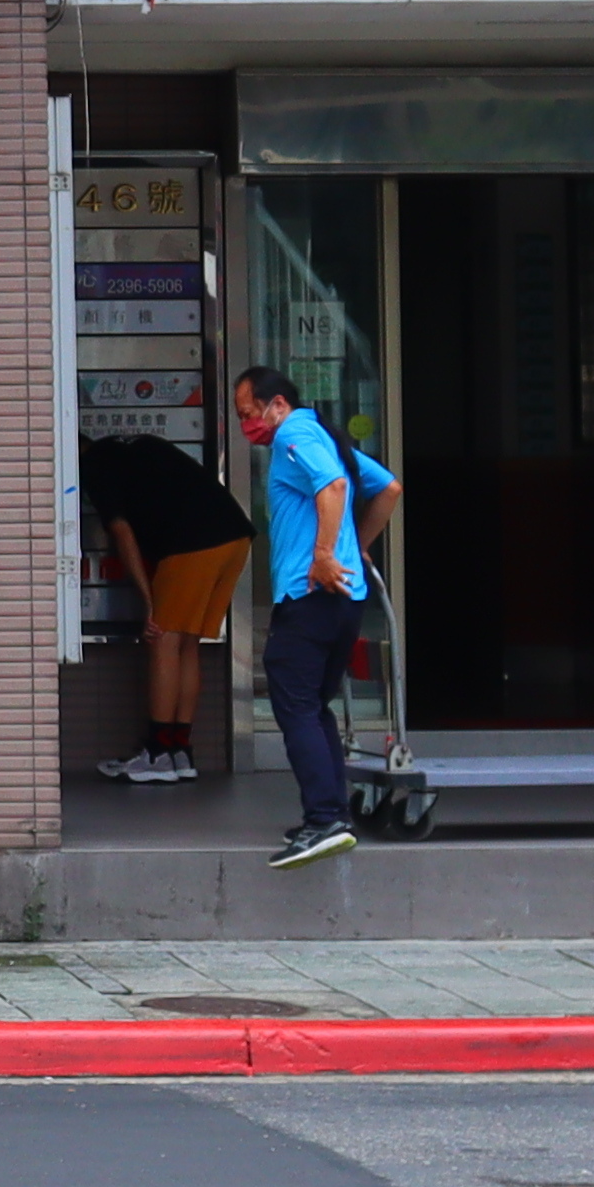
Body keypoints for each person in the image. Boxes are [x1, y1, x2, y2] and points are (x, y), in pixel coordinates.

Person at [227, 367, 396, 870]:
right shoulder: (325, 436)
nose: (246, 425)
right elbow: (388, 489)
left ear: (276, 404)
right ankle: (331, 816)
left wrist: (326, 552)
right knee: (314, 706)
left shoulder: (296, 433)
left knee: (295, 704)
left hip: (312, 596)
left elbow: (336, 486)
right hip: (343, 601)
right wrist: (356, 547)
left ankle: (324, 819)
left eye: (247, 413)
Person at [78, 427, 259, 787]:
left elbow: (123, 534)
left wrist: (148, 602)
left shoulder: (94, 466)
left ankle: (159, 754)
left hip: (193, 543)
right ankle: (179, 751)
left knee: (162, 639)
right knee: (186, 643)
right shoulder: (135, 446)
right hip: (235, 535)